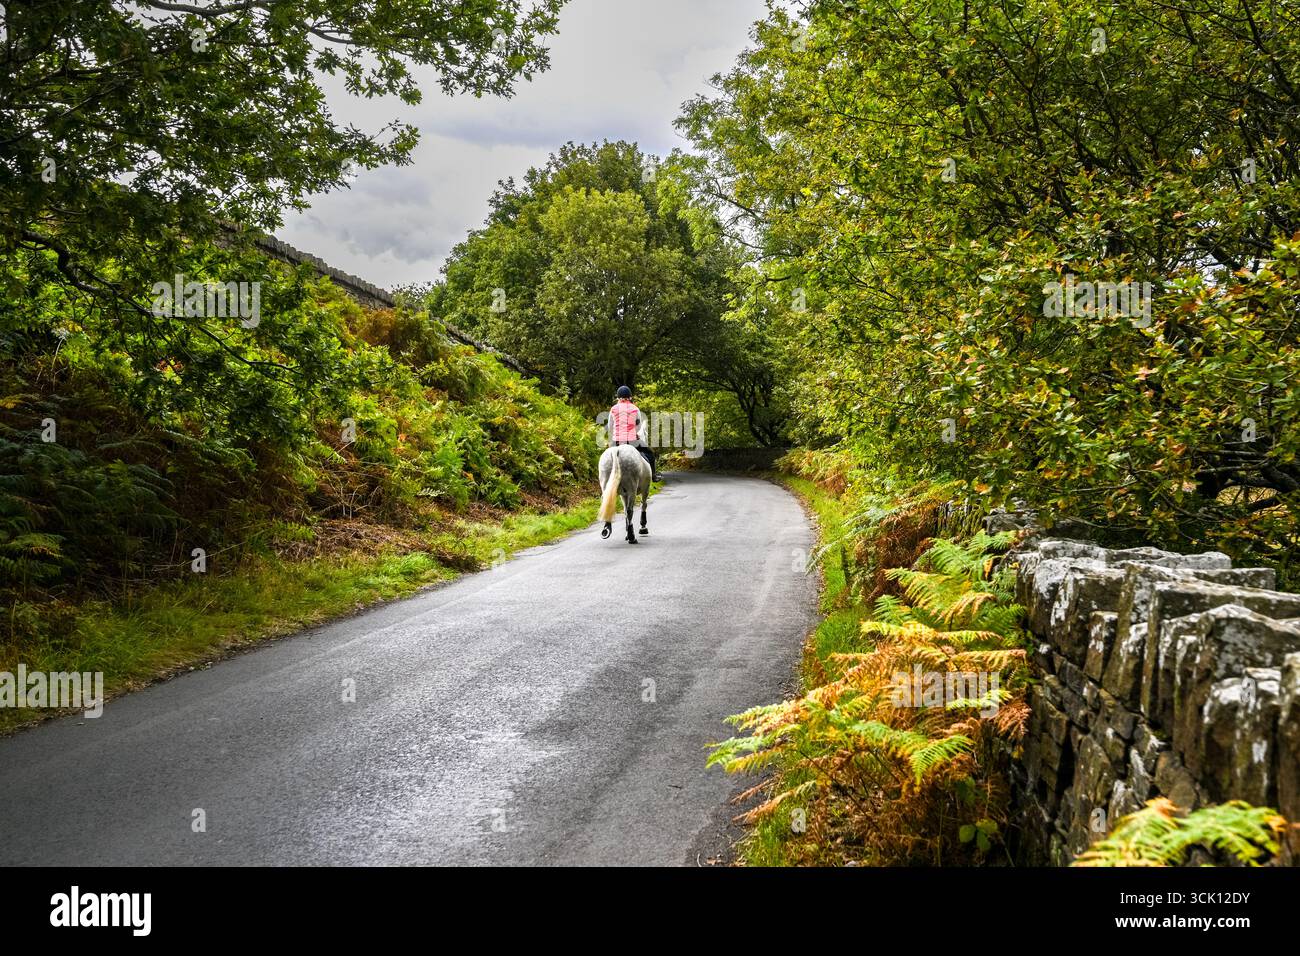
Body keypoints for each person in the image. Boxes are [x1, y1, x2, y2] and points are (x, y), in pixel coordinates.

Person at [608, 385, 660, 480]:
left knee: (607, 457)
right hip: (632, 441)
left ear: (618, 398)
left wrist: (615, 434)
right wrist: (634, 433)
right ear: (630, 397)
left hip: (616, 441)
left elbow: (610, 427)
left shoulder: (613, 409)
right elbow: (639, 426)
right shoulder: (635, 409)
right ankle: (653, 476)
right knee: (650, 454)